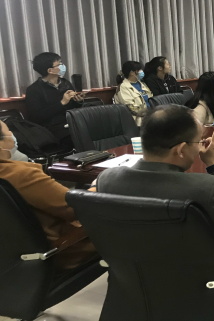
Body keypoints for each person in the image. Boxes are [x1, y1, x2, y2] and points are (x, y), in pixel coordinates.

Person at [94, 105, 214, 296]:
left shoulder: (106, 179)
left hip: (136, 278)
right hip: (200, 286)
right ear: (181, 150)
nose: (199, 147)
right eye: (198, 141)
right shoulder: (204, 188)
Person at [0, 120, 96, 271]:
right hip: (62, 250)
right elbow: (75, 209)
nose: (13, 136)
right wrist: (97, 187)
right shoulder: (21, 175)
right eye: (8, 132)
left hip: (12, 259)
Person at [25, 52, 84, 151]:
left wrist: (78, 101)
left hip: (71, 122)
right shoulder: (33, 90)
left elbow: (73, 107)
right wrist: (62, 103)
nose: (63, 66)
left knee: (93, 129)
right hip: (51, 129)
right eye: (59, 64)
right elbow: (36, 117)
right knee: (77, 137)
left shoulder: (65, 83)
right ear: (50, 70)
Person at [114, 60, 153, 126]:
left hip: (150, 117)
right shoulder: (123, 87)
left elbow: (151, 98)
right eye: (139, 70)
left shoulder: (142, 83)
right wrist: (148, 114)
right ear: (131, 72)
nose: (142, 72)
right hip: (137, 120)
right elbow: (131, 108)